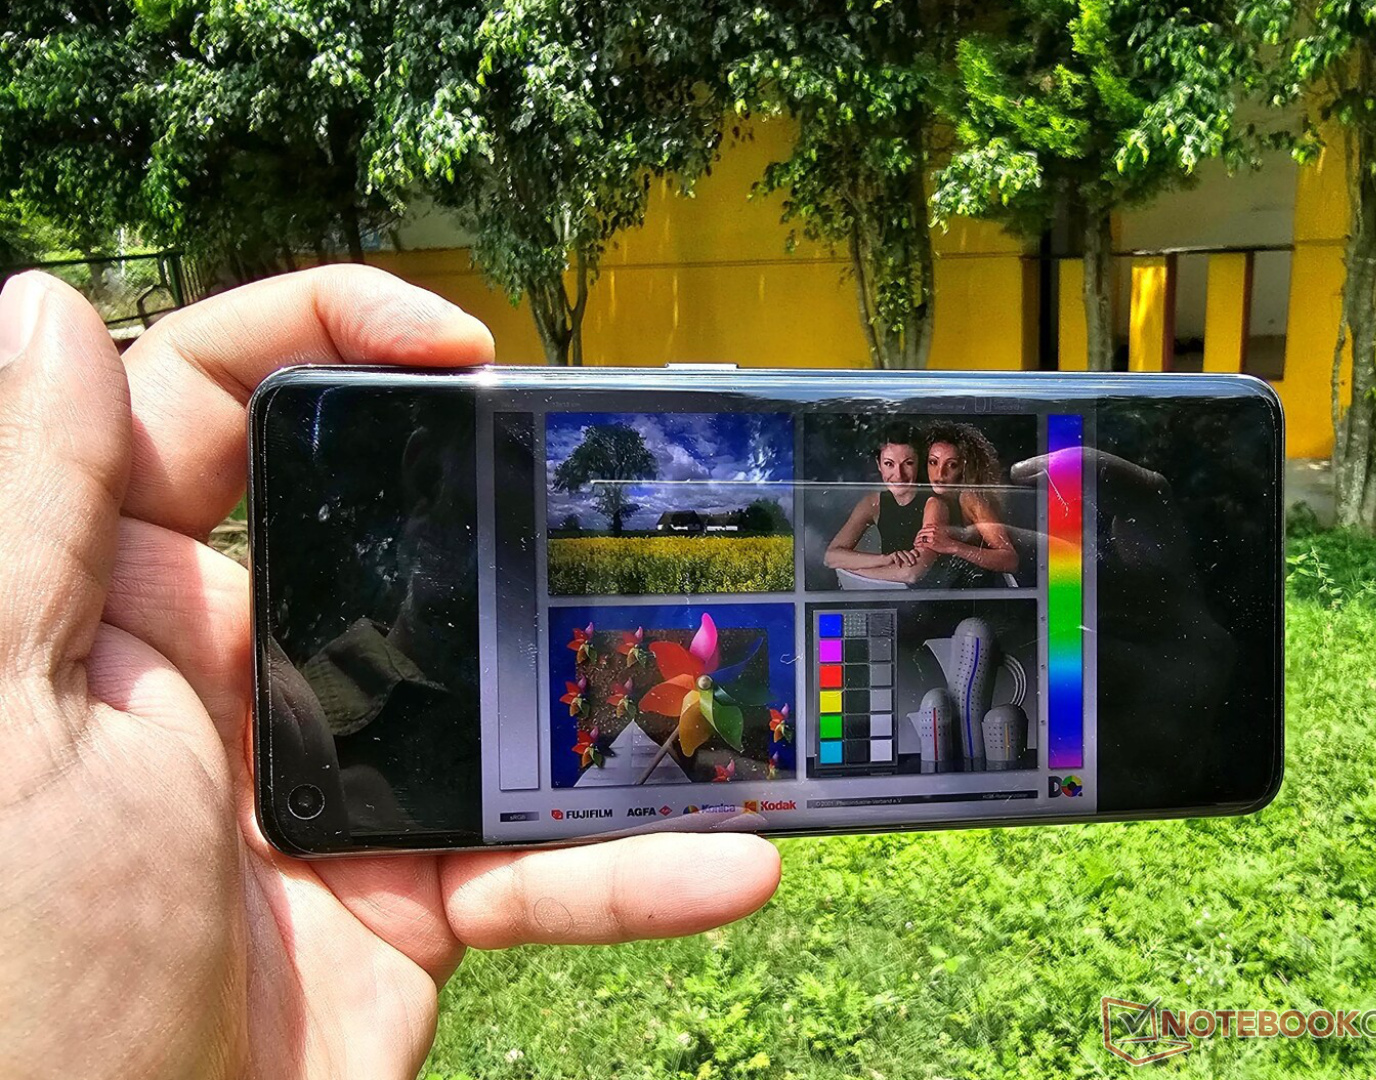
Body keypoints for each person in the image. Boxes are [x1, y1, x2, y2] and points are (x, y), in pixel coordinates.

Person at [0, 266, 781, 1078]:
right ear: (424, 476)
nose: (551, 539)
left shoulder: (615, 698)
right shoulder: (307, 729)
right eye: (523, 488)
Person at [823, 423, 949, 586]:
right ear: (879, 465)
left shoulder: (934, 504)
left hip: (929, 598)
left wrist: (855, 569)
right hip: (890, 594)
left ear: (919, 463)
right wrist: (884, 559)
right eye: (889, 464)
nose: (899, 475)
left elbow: (911, 574)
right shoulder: (873, 502)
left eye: (908, 463)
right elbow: (831, 557)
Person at [914, 422, 1019, 586]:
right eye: (933, 462)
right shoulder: (932, 500)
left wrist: (953, 546)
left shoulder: (970, 498)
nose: (940, 473)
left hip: (988, 590)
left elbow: (1010, 560)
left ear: (964, 468)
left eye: (952, 465)